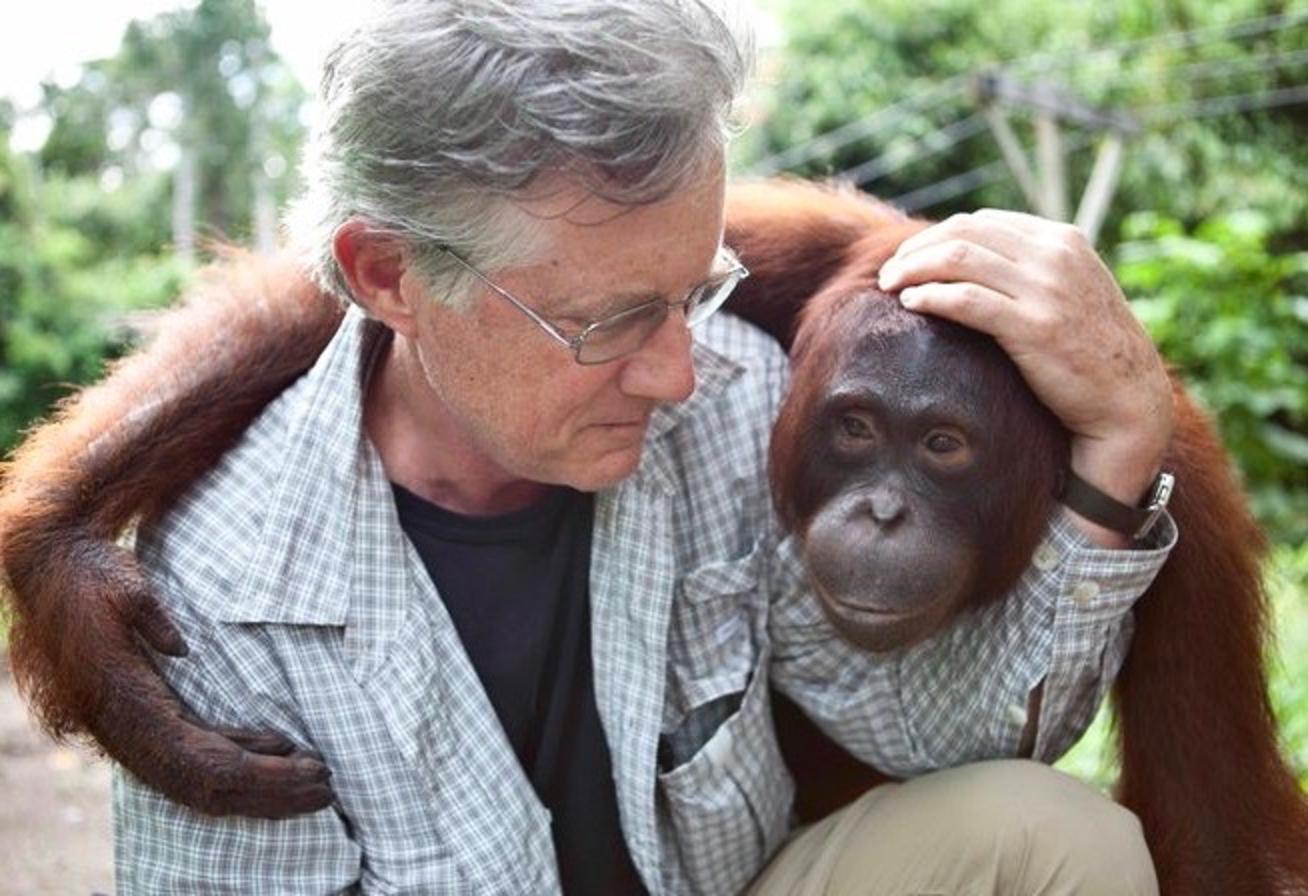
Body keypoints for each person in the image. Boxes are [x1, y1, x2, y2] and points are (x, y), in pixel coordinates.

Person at [4, 1, 1177, 893]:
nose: (676, 369)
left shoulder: (731, 391)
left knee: (1054, 834)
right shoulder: (223, 584)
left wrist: (1118, 451)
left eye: (694, 289)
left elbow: (927, 732)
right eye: (611, 319)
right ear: (391, 278)